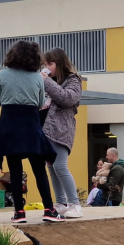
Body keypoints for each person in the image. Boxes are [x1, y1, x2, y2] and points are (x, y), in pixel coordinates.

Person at [0, 40, 60, 224]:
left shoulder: (3, 75)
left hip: (10, 126)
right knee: (39, 170)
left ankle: (19, 212)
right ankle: (49, 210)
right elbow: (39, 104)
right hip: (30, 126)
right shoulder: (37, 77)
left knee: (15, 170)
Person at [42, 48, 83, 218]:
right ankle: (60, 204)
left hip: (61, 130)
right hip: (45, 130)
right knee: (52, 167)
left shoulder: (73, 80)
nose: (46, 68)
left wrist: (46, 82)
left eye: (50, 64)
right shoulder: (48, 81)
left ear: (59, 63)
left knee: (60, 166)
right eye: (44, 64)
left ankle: (75, 204)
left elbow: (68, 98)